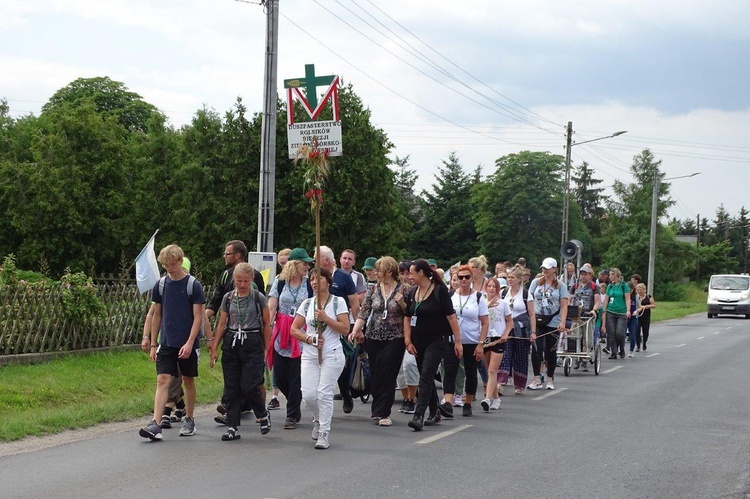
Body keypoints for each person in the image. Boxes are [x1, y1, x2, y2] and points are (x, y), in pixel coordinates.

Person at [139, 245, 206, 441]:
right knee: (162, 380)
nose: (169, 268)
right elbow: (156, 314)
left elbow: (197, 318)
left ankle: (190, 418)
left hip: (187, 342)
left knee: (187, 380)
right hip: (166, 342)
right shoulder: (161, 285)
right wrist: (153, 344)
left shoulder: (193, 285)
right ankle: (156, 423)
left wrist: (190, 342)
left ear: (180, 261)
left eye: (172, 264)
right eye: (166, 265)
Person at [209, 263, 272, 441]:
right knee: (231, 387)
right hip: (231, 342)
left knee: (249, 385)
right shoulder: (228, 298)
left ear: (252, 280)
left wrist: (266, 348)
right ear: (233, 280)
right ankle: (232, 426)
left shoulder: (258, 297)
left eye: (245, 281)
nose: (242, 284)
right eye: (238, 281)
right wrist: (214, 348)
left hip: (252, 342)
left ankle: (262, 413)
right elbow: (222, 323)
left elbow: (267, 323)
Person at [290, 267, 350, 449]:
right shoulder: (307, 304)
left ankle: (324, 432)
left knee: (324, 393)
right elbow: (294, 329)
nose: (315, 282)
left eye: (319, 278)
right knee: (308, 394)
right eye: (312, 279)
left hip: (332, 353)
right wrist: (310, 338)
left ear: (328, 281)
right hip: (310, 354)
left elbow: (345, 329)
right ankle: (318, 417)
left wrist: (326, 318)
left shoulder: (337, 302)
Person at [206, 240, 266, 423]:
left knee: (254, 381)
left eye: (228, 254)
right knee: (233, 378)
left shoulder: (255, 277)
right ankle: (232, 416)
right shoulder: (225, 276)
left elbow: (264, 316)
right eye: (238, 281)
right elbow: (217, 301)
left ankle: (260, 410)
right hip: (232, 336)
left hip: (252, 336)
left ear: (238, 255)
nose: (225, 256)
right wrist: (203, 316)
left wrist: (265, 347)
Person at [350, 256, 409, 426]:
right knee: (375, 374)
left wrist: (403, 304)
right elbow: (364, 312)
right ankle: (377, 410)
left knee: (388, 373)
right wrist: (356, 330)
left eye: (379, 270)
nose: (375, 273)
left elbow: (410, 313)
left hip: (395, 337)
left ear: (389, 271)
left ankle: (384, 412)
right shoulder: (373, 289)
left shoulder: (404, 289)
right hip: (373, 336)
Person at [404, 259, 462, 431]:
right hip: (418, 341)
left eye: (412, 273)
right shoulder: (412, 292)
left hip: (437, 339)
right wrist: (407, 340)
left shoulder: (439, 291)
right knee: (425, 374)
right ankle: (435, 411)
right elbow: (407, 318)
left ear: (421, 273)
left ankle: (419, 415)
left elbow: (451, 317)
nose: (409, 277)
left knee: (427, 375)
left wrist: (458, 341)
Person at [267, 248, 314, 429]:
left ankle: (292, 414)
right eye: (304, 263)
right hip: (281, 335)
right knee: (281, 376)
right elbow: (272, 308)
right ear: (294, 264)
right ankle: (293, 401)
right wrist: (269, 328)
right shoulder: (280, 283)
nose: (307, 266)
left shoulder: (309, 284)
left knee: (296, 377)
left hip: (301, 333)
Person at [315, 246, 360, 414]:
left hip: (341, 325)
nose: (314, 262)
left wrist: (357, 327)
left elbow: (354, 302)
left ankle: (345, 392)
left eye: (316, 258)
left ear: (325, 260)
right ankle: (320, 398)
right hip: (320, 327)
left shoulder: (343, 277)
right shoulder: (314, 277)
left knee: (343, 362)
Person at [443, 264, 488, 417]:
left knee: (470, 372)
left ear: (471, 278)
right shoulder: (450, 296)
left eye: (466, 277)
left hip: (472, 341)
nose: (463, 280)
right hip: (453, 340)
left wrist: (481, 344)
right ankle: (448, 402)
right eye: (460, 277)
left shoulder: (478, 297)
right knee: (450, 371)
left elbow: (485, 322)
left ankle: (467, 402)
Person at [527, 257, 568, 391]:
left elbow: (564, 305)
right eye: (543, 268)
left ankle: (550, 378)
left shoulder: (561, 285)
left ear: (554, 269)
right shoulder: (535, 282)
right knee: (536, 349)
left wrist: (562, 321)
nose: (545, 270)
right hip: (538, 319)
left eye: (547, 268)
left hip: (553, 320)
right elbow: (530, 299)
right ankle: (537, 378)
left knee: (551, 350)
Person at [498, 265, 536, 394]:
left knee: (520, 356)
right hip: (506, 329)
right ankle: (501, 382)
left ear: (519, 279)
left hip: (521, 329)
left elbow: (531, 314)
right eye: (508, 277)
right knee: (505, 355)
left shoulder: (526, 295)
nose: (509, 279)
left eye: (512, 277)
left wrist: (533, 332)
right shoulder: (503, 293)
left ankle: (519, 385)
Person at [481, 277, 513, 411]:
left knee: (493, 369)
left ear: (498, 289)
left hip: (498, 337)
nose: (491, 289)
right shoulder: (481, 301)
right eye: (489, 286)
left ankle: (487, 399)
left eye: (494, 286)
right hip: (486, 337)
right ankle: (496, 398)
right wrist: (486, 306)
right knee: (489, 370)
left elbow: (510, 322)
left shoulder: (503, 303)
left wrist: (506, 333)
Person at [601, 268, 630, 360]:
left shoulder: (624, 285)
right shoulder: (610, 286)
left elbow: (627, 299)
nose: (610, 277)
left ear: (616, 275)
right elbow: (606, 299)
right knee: (611, 333)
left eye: (611, 275)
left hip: (621, 312)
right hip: (611, 311)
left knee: (619, 332)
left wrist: (628, 310)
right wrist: (604, 309)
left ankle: (621, 348)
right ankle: (613, 352)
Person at [634, 283, 655, 351]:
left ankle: (644, 342)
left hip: (646, 317)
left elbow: (653, 305)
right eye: (638, 290)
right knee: (637, 331)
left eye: (641, 290)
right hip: (638, 317)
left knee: (645, 331)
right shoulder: (636, 297)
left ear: (644, 290)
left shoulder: (648, 296)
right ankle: (638, 346)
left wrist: (646, 306)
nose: (639, 291)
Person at [627, 274, 644, 356]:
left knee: (632, 333)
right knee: (622, 334)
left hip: (634, 318)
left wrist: (636, 311)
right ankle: (621, 349)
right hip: (625, 317)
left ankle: (631, 351)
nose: (629, 292)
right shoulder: (624, 297)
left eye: (630, 290)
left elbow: (640, 307)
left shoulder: (636, 297)